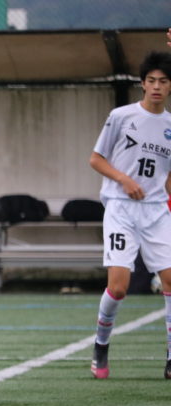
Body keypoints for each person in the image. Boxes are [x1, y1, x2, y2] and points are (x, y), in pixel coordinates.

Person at [89, 50, 171, 379]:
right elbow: (96, 159)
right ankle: (100, 344)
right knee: (119, 286)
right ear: (142, 84)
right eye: (151, 80)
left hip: (156, 212)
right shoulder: (121, 116)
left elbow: (168, 177)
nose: (156, 86)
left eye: (163, 81)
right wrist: (124, 179)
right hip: (121, 209)